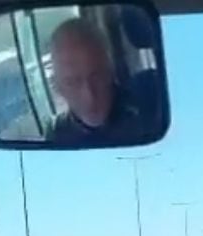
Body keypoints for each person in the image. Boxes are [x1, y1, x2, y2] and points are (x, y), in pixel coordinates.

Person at [45, 17, 147, 146]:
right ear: (57, 86)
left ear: (111, 71)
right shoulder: (56, 134)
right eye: (73, 82)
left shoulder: (148, 112)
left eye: (97, 76)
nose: (89, 96)